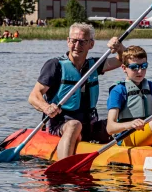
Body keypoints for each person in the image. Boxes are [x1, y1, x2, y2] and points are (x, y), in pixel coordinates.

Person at [28, 23, 125, 159]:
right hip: (61, 124)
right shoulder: (55, 65)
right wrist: (46, 107)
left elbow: (122, 60)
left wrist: (119, 47)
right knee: (74, 125)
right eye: (73, 41)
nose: (77, 46)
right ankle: (64, 166)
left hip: (90, 124)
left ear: (91, 44)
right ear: (68, 42)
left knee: (121, 124)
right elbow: (34, 96)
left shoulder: (95, 65)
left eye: (82, 42)